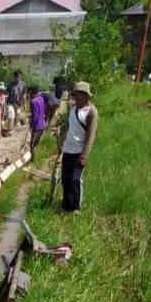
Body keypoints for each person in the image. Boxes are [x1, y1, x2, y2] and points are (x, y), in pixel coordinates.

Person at [58, 82, 99, 213]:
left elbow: (91, 135)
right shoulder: (73, 109)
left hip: (79, 152)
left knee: (75, 180)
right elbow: (67, 127)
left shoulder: (91, 112)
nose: (76, 97)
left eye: (78, 95)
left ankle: (76, 208)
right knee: (65, 179)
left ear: (85, 96)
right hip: (68, 149)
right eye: (75, 95)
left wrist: (85, 155)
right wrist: (61, 142)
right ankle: (66, 206)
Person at [28, 85, 48, 160]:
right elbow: (44, 110)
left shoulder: (33, 101)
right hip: (43, 124)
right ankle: (36, 156)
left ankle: (32, 159)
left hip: (36, 126)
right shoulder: (41, 98)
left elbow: (35, 116)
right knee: (36, 142)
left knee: (32, 144)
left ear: (31, 92)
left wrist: (31, 124)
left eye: (29, 92)